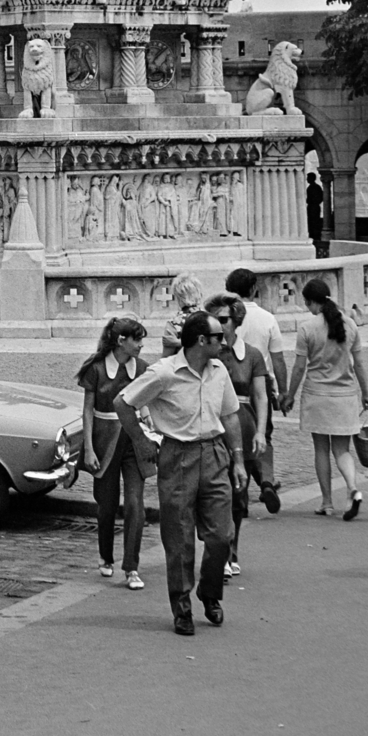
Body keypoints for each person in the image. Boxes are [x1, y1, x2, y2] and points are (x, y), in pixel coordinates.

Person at [114, 310, 246, 635]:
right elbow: (123, 403)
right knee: (179, 538)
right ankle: (182, 606)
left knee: (221, 535)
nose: (224, 341)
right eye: (218, 337)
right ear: (201, 340)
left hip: (214, 454)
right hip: (178, 456)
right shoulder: (164, 373)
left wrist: (239, 459)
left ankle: (210, 592)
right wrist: (141, 441)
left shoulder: (219, 371)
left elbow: (230, 415)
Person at [281, 279, 368, 519]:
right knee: (342, 450)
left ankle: (327, 502)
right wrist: (366, 394)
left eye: (307, 303)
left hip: (317, 395)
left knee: (321, 449)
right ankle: (352, 488)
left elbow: (299, 368)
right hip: (345, 395)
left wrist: (290, 395)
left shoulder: (307, 329)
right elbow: (359, 364)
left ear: (312, 302)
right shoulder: (350, 325)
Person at [77, 316, 151, 590]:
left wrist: (149, 427)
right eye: (137, 339)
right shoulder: (96, 369)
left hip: (133, 441)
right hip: (104, 441)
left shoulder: (142, 368)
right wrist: (88, 448)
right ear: (122, 341)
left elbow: (145, 403)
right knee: (106, 505)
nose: (141, 345)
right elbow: (87, 410)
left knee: (135, 504)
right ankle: (105, 555)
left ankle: (131, 567)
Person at [214, 294, 270, 577]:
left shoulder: (252, 355)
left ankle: (232, 551)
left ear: (236, 321)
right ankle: (220, 552)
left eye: (223, 320)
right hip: (213, 427)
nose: (218, 325)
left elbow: (260, 396)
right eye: (214, 320)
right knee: (217, 494)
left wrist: (260, 432)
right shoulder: (207, 353)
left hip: (243, 426)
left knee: (238, 494)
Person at [222, 267, 286, 514]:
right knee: (262, 435)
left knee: (232, 436)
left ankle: (241, 494)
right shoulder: (267, 318)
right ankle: (267, 481)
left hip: (230, 379)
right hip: (260, 381)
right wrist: (283, 391)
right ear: (254, 289)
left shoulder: (226, 317)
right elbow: (277, 359)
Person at [160, 272, 207, 355]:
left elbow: (166, 357)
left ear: (178, 297)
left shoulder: (174, 324)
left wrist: (178, 343)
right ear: (199, 294)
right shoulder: (210, 319)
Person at [306, 173, 325, 244]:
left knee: (314, 222)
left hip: (313, 207)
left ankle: (315, 237)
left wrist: (311, 201)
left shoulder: (314, 187)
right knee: (312, 222)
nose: (307, 179)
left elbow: (320, 198)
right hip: (313, 207)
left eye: (308, 178)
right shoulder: (313, 187)